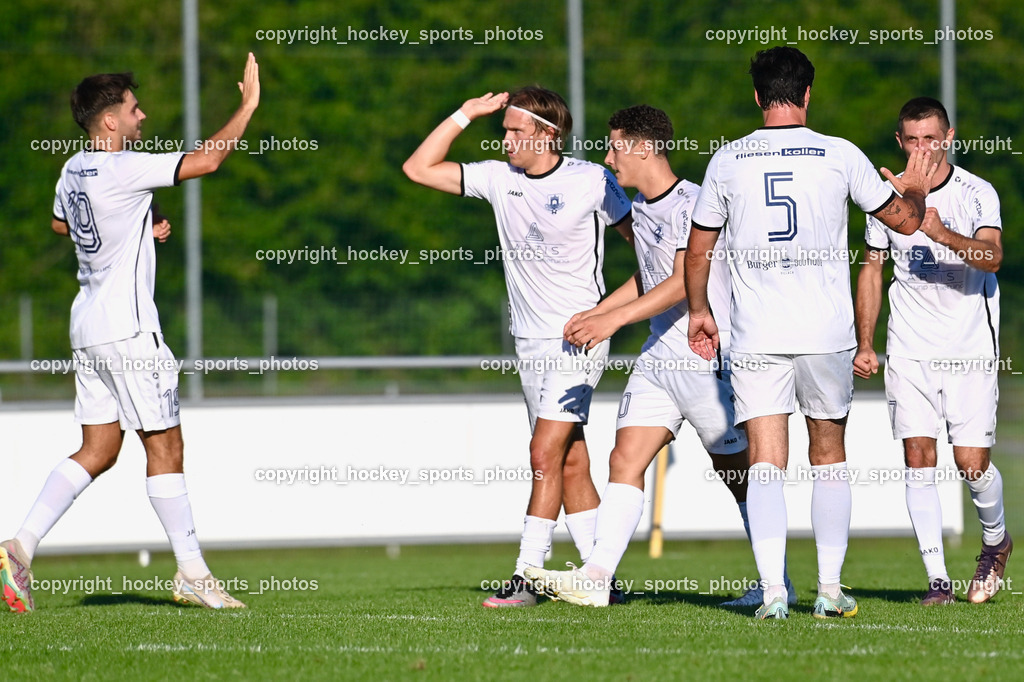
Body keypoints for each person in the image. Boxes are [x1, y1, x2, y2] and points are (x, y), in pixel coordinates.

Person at [0, 53, 260, 613]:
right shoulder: (124, 165)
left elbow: (60, 223)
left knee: (99, 448)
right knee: (165, 444)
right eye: (134, 109)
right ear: (110, 122)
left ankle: (19, 545)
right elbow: (206, 162)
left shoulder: (72, 168)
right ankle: (193, 573)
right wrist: (246, 108)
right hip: (128, 329)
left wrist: (139, 225)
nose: (143, 117)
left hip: (87, 325)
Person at [685, 46, 937, 620]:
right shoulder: (839, 154)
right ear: (807, 94)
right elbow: (904, 220)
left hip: (756, 335)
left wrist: (701, 311)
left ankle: (774, 591)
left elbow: (698, 250)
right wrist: (916, 189)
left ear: (756, 96)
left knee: (766, 459)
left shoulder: (727, 159)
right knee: (829, 453)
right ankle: (828, 590)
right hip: (825, 331)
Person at [522, 104, 793, 607]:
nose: (609, 158)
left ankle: (776, 580)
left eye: (615, 146)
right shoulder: (642, 208)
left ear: (644, 147)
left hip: (706, 357)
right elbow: (648, 277)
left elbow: (680, 282)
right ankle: (597, 577)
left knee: (737, 474)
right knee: (624, 457)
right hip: (659, 358)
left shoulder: (693, 202)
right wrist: (599, 311)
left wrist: (612, 320)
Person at [403, 87, 632, 607]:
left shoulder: (592, 180)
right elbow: (418, 168)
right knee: (568, 460)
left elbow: (653, 253)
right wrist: (465, 112)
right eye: (502, 130)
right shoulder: (496, 177)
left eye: (514, 130)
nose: (505, 139)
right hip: (529, 344)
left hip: (580, 341)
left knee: (542, 453)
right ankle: (601, 581)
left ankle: (529, 575)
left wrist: (607, 316)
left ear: (548, 134)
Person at [854, 96, 1011, 606]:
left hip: (969, 347)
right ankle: (938, 580)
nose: (922, 148)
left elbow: (992, 257)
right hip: (909, 346)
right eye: (912, 139)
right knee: (918, 457)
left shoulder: (976, 192)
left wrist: (939, 230)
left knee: (971, 464)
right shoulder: (887, 196)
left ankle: (995, 542)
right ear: (900, 142)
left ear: (948, 138)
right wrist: (865, 342)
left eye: (931, 138)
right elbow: (872, 269)